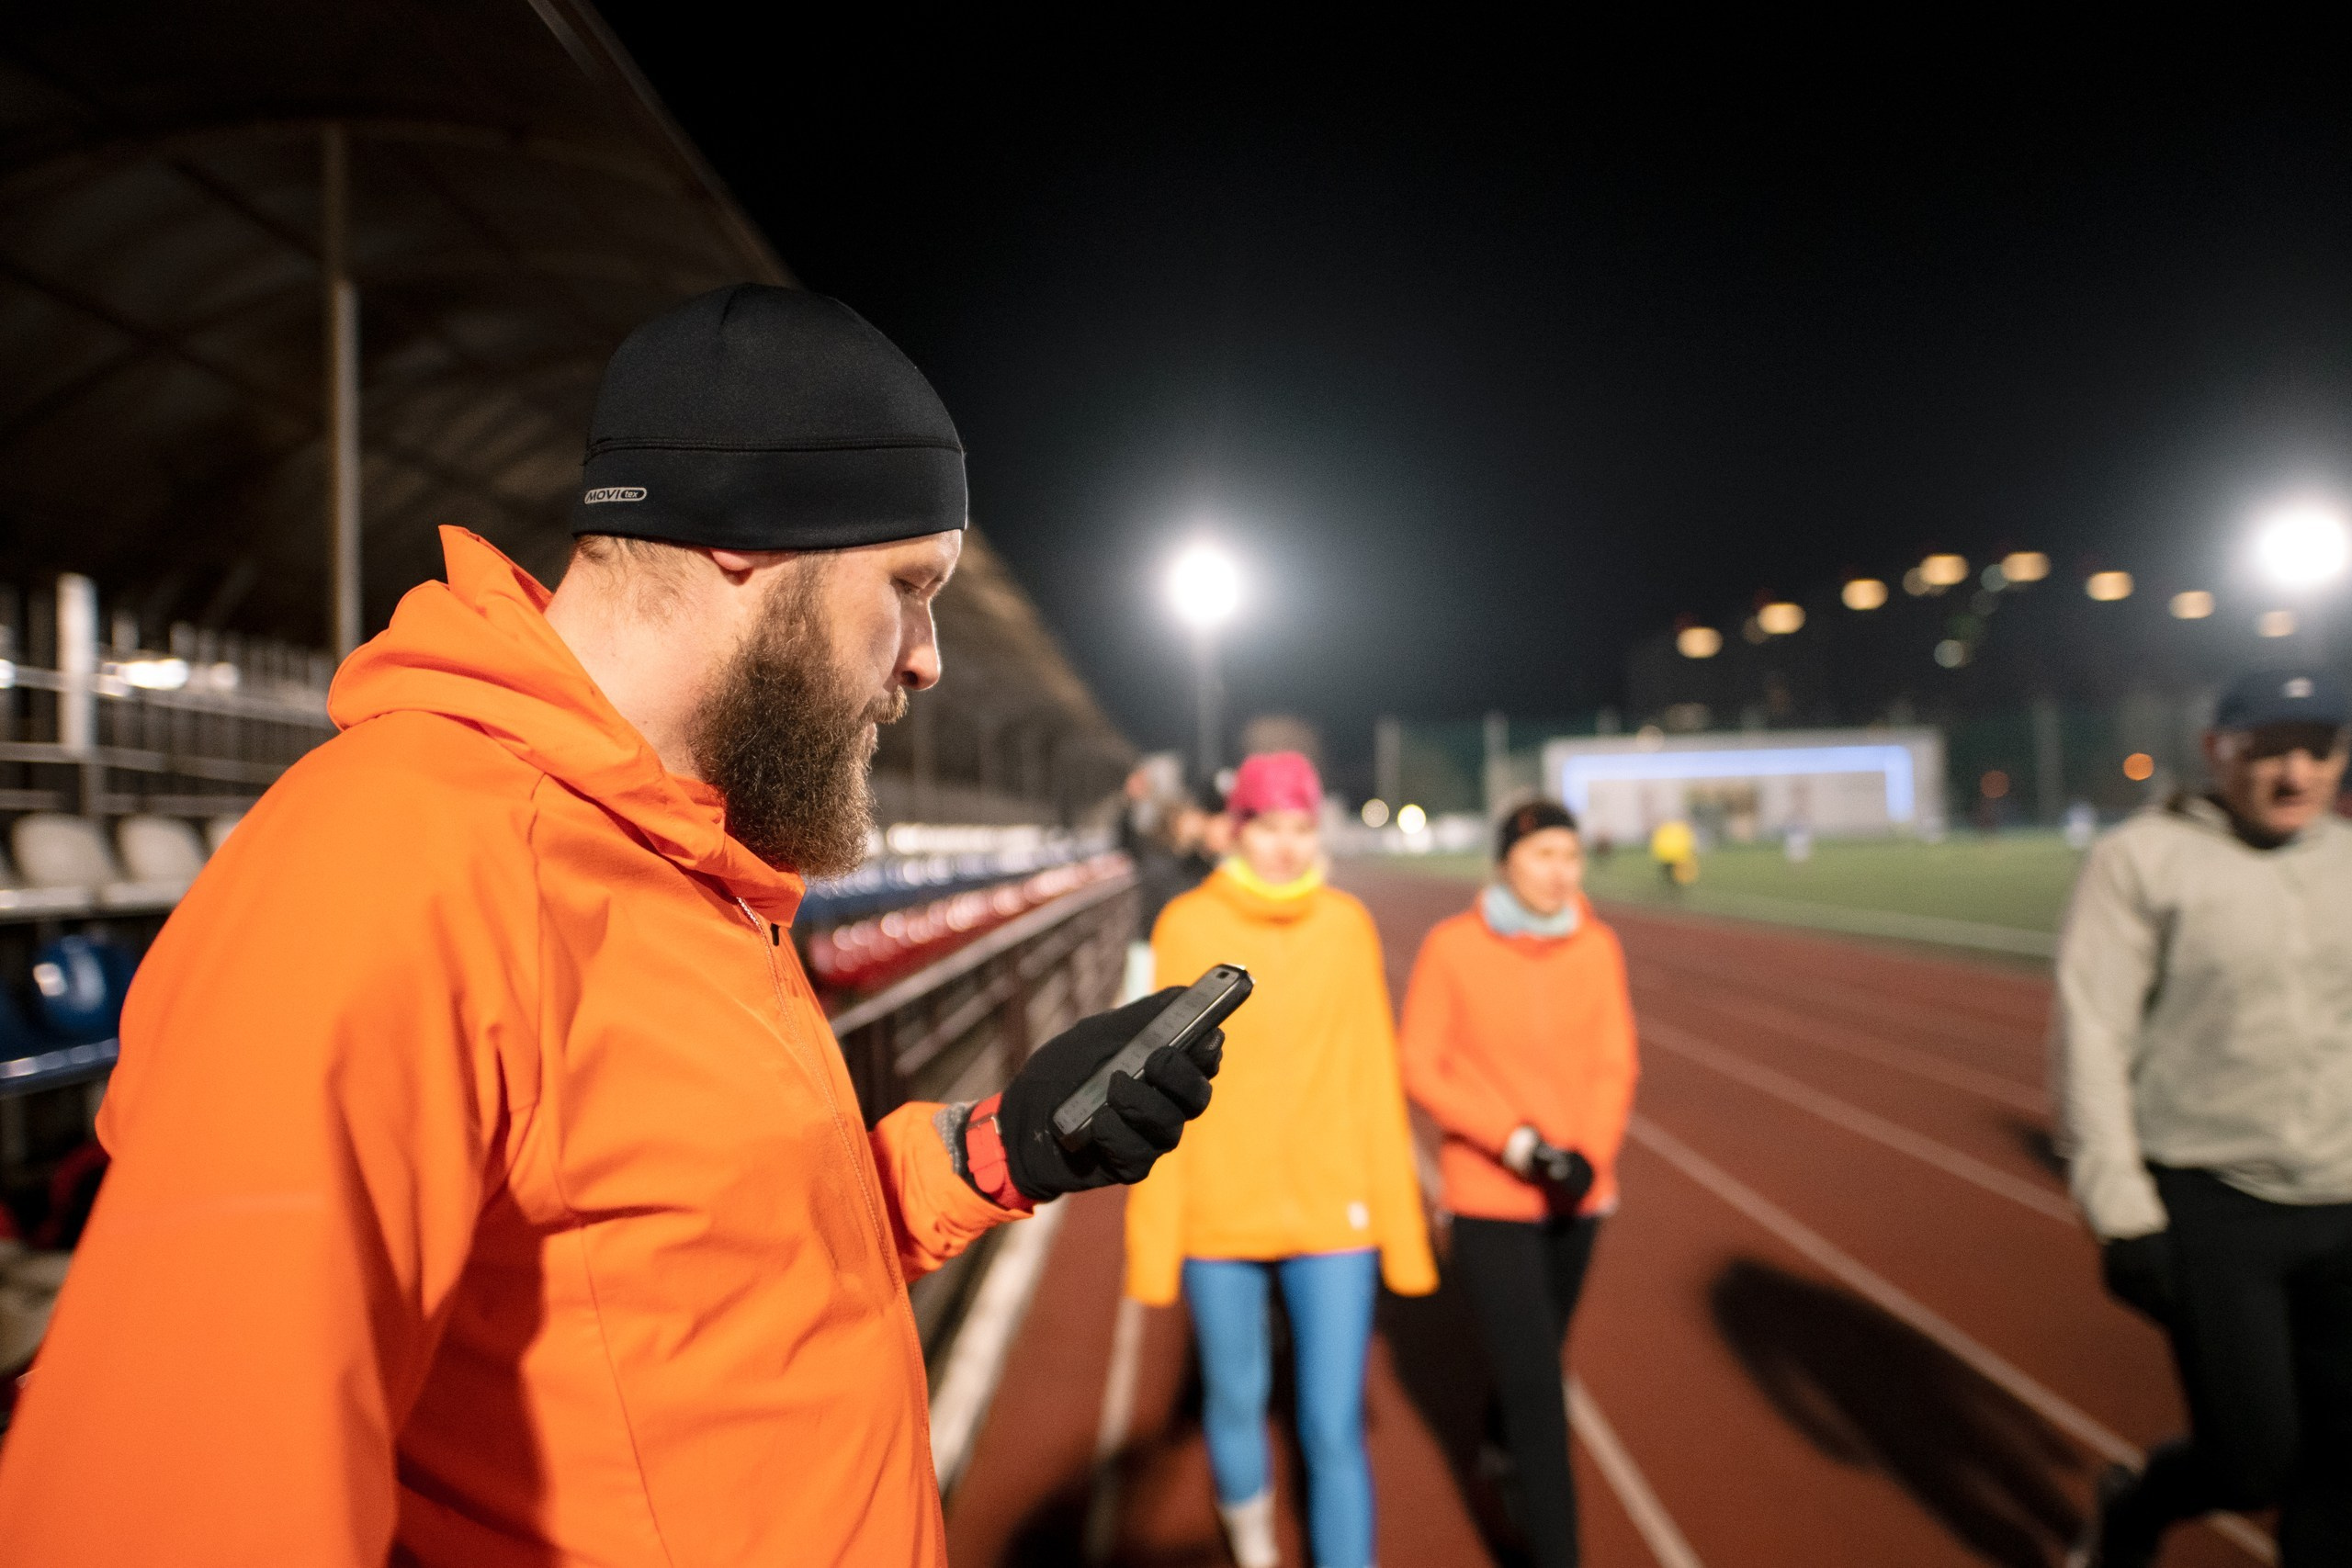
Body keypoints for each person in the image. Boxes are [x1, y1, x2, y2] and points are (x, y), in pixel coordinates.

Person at [0, 285, 1226, 1565]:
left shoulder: (686, 848)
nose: (923, 657)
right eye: (909, 585)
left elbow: (707, 1267)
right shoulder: (392, 865)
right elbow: (168, 1502)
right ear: (751, 533)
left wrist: (995, 1151)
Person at [2056, 668, 2352, 1568]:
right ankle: (2136, 1507)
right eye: (2267, 749)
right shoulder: (2140, 861)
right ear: (2216, 750)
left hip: (2344, 1199)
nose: (2294, 773)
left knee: (2342, 1472)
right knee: (2251, 1459)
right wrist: (2119, 1208)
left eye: (2317, 750)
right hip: (2215, 1202)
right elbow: (2092, 1030)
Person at [1125, 750, 1436, 1568]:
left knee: (1333, 1423)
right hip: (1219, 1211)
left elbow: (1375, 1076)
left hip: (1337, 1213)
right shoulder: (1186, 926)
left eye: (1302, 827)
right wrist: (1155, 1243)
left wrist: (1402, 1233)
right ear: (1240, 828)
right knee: (1236, 1397)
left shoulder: (1346, 926)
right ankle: (1254, 1542)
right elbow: (1159, 1089)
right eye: (1270, 826)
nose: (1287, 845)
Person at [1398, 799, 1638, 1568]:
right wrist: (1522, 1146)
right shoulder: (1452, 947)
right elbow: (1419, 1063)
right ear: (1505, 861)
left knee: (1537, 1351)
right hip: (1489, 1197)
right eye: (1542, 854)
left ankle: (1497, 1450)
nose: (1559, 870)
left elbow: (1615, 1062)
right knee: (1541, 1386)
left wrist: (1588, 1159)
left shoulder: (1598, 946)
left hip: (1580, 1198)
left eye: (1570, 854)